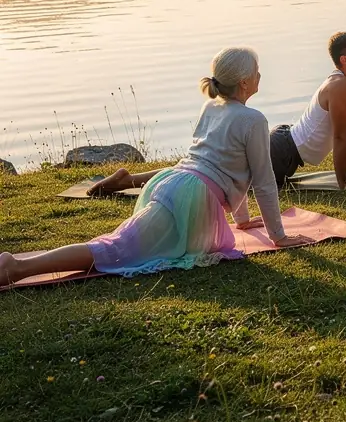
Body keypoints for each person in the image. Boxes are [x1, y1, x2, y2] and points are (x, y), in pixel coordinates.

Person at [1, 48, 310, 287]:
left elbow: (228, 165)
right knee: (115, 249)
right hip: (192, 194)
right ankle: (17, 268)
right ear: (244, 82)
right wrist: (278, 237)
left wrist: (241, 221)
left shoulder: (212, 106)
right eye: (257, 71)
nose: (260, 75)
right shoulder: (253, 119)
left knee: (118, 245)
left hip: (175, 180)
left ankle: (18, 266)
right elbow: (263, 179)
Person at [268, 31, 346, 192]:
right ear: (345, 59)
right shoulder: (339, 85)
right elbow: (340, 137)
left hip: (286, 148)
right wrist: (344, 183)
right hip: (279, 151)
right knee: (247, 186)